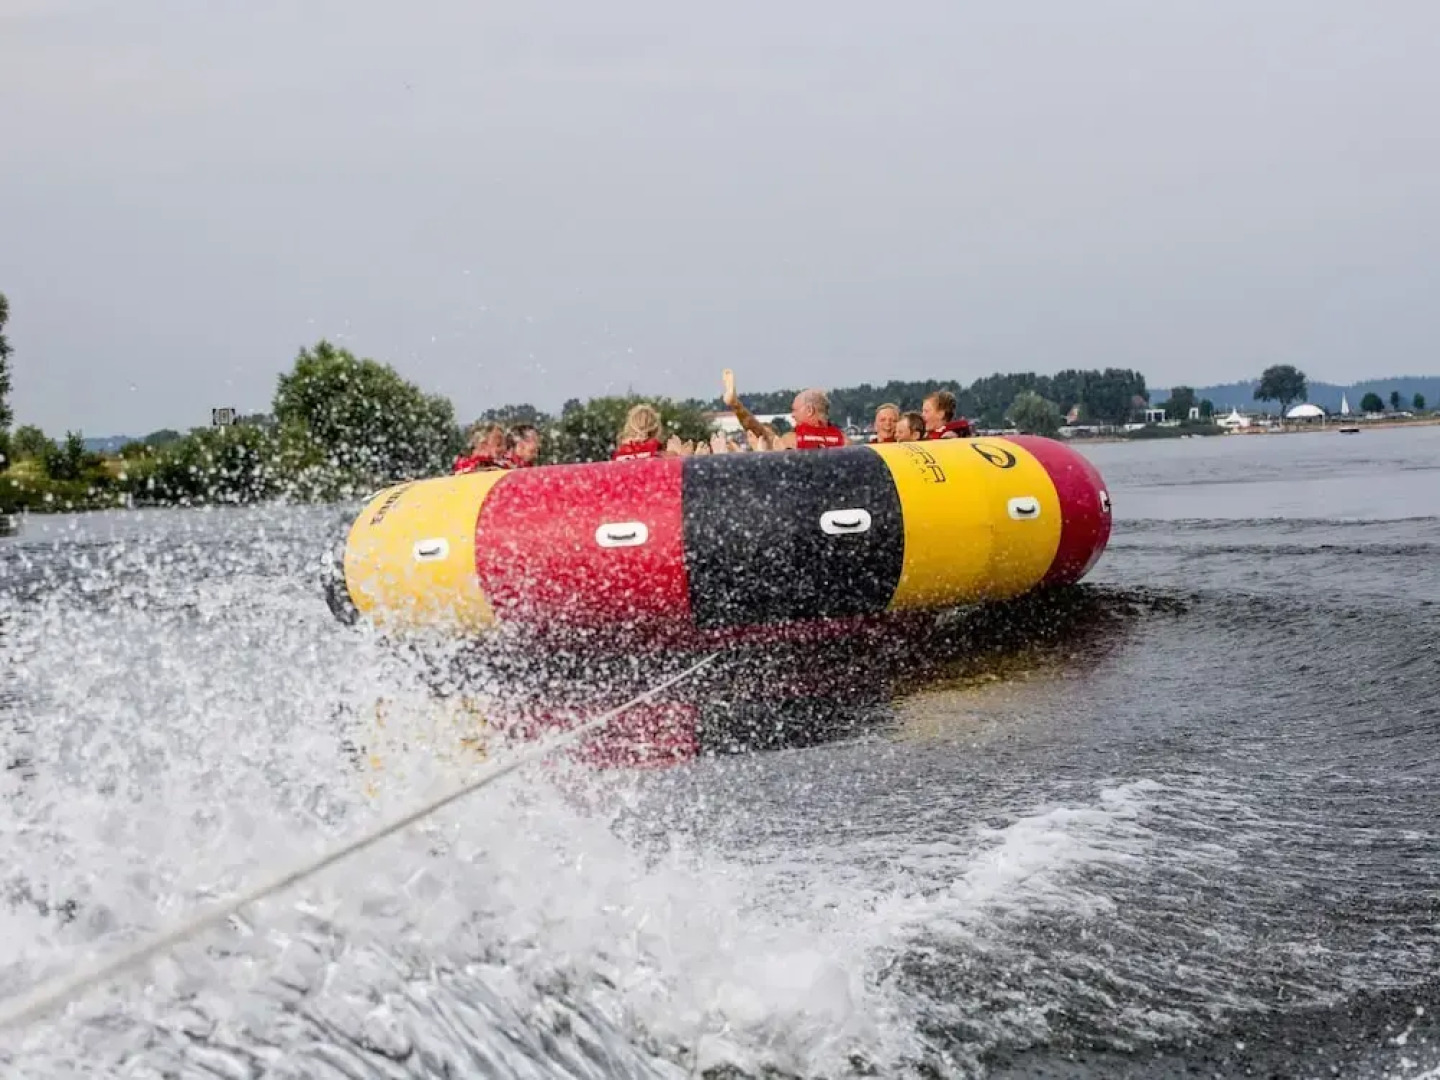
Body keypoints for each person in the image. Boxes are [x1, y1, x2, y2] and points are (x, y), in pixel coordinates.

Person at [721, 370, 846, 450]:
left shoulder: (792, 440)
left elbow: (760, 432)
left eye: (795, 410)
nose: (792, 415)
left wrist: (736, 406)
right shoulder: (845, 442)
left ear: (809, 411)